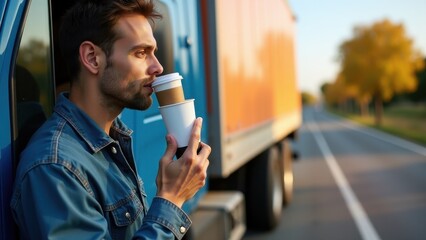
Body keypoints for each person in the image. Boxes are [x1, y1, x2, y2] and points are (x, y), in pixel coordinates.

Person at [10, 0, 211, 239]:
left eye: (154, 52)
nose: (158, 67)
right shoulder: (55, 168)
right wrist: (172, 198)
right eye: (141, 53)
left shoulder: (112, 138)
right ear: (92, 58)